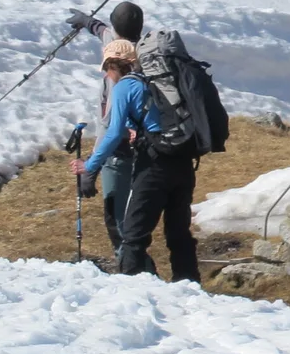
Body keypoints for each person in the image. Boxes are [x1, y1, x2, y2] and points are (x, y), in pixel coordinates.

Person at [72, 32, 201, 282]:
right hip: (183, 159)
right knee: (178, 232)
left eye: (107, 70)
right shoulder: (160, 80)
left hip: (154, 165)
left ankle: (131, 289)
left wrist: (89, 166)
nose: (106, 76)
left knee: (133, 235)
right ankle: (189, 285)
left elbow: (112, 133)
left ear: (113, 65)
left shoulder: (125, 86)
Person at [75, 2, 146, 257]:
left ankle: (130, 269)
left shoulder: (118, 78)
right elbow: (104, 33)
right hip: (146, 152)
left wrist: (91, 168)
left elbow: (109, 128)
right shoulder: (139, 52)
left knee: (118, 220)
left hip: (119, 155)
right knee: (133, 218)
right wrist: (88, 23)